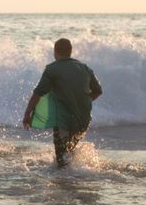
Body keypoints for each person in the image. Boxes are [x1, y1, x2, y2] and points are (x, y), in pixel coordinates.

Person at [23, 38, 102, 168]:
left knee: (61, 160)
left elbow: (38, 93)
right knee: (68, 153)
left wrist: (27, 114)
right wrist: (80, 102)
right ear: (71, 51)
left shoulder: (52, 69)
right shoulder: (85, 68)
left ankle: (66, 183)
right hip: (83, 120)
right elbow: (98, 91)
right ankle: (76, 180)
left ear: (55, 51)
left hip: (64, 121)